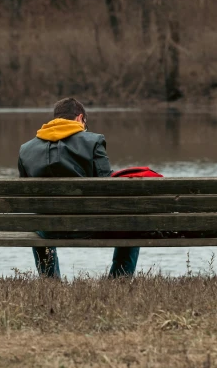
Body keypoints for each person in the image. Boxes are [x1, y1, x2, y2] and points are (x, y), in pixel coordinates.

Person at [18, 97, 140, 278]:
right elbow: (109, 186)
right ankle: (119, 281)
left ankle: (50, 281)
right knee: (133, 225)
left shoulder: (26, 149)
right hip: (92, 225)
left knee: (40, 221)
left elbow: (25, 198)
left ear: (55, 119)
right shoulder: (94, 141)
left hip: (47, 227)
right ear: (79, 118)